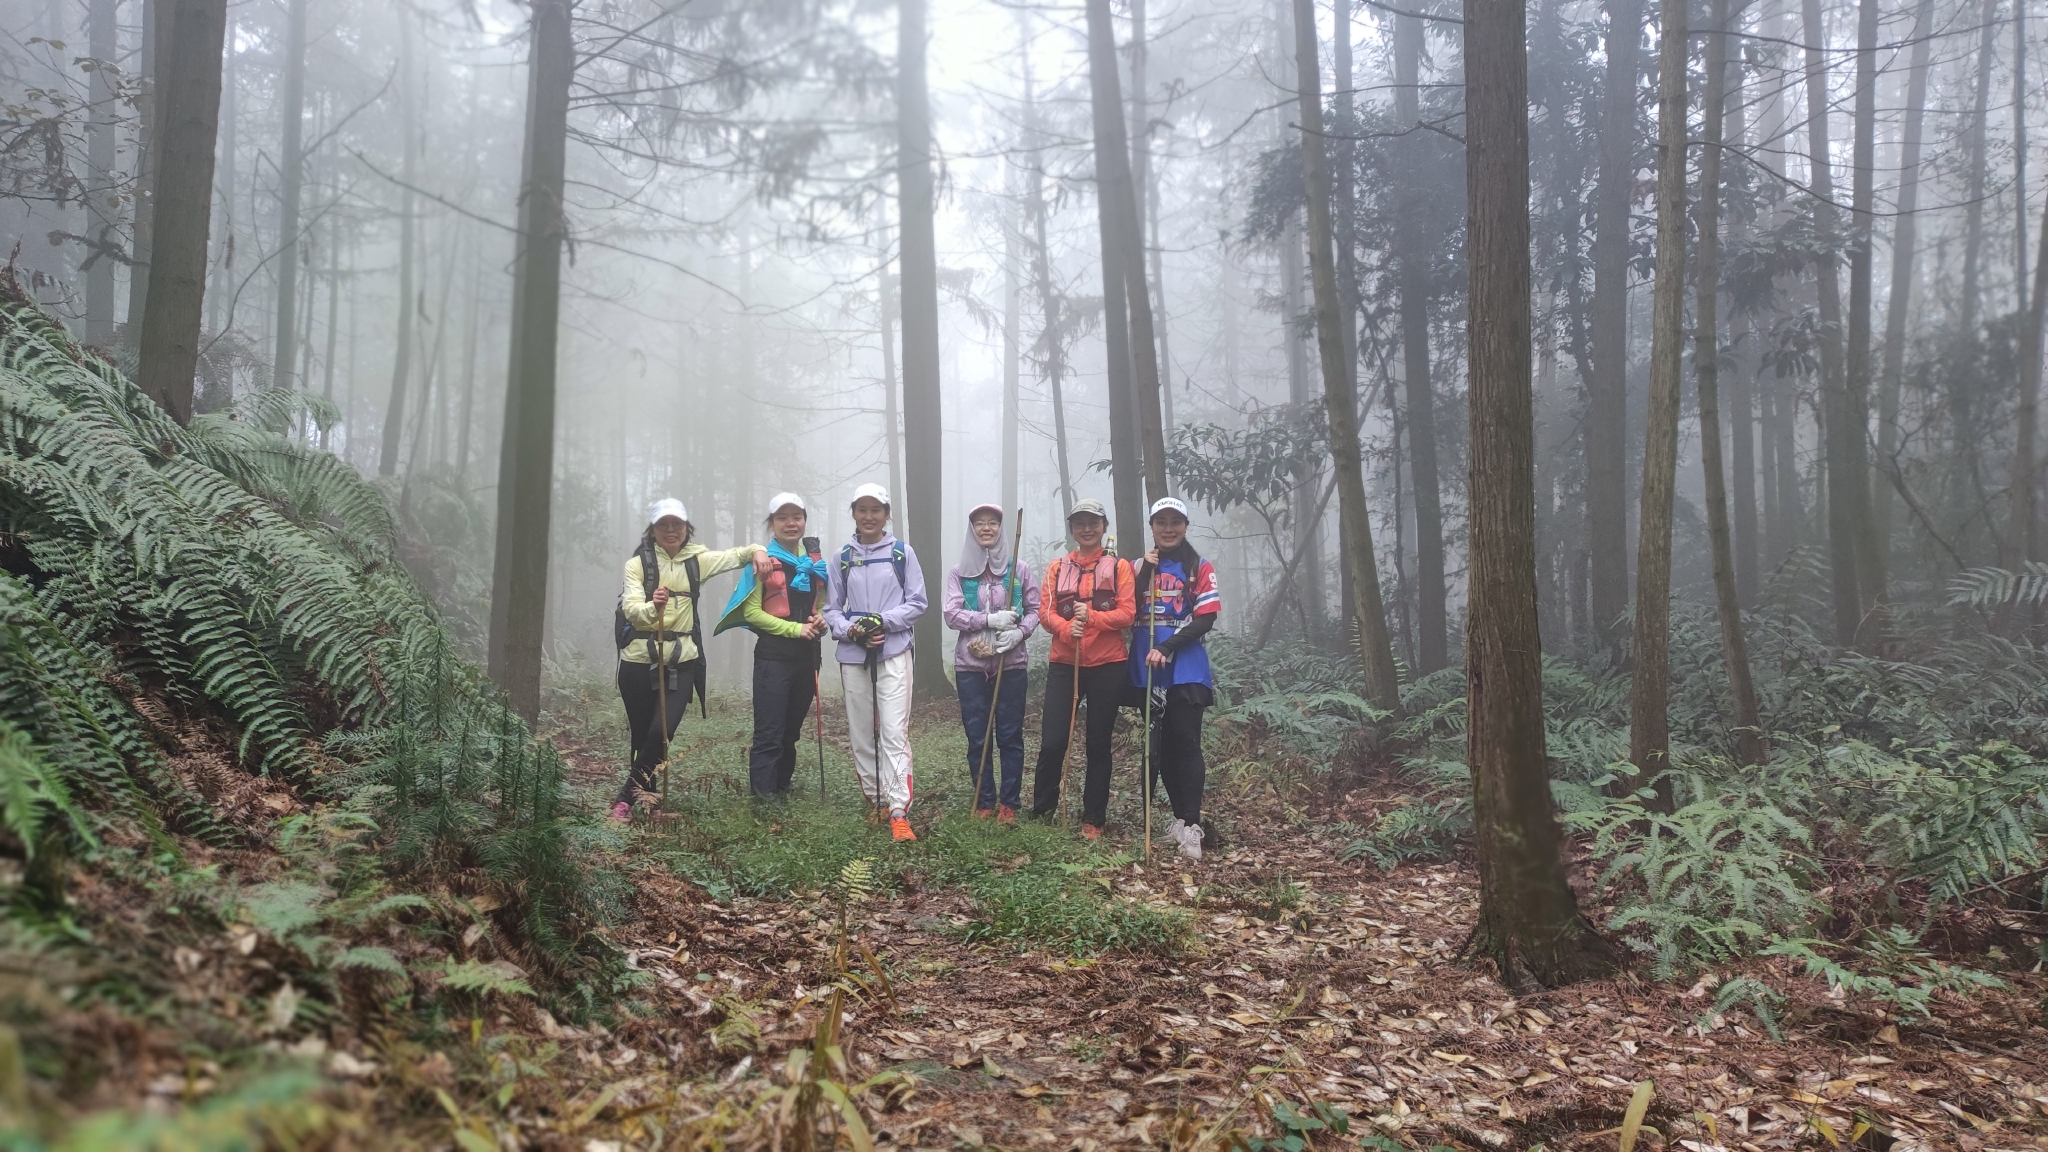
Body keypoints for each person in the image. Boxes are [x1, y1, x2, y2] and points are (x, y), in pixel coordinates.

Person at [612, 498, 771, 820]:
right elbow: (631, 609)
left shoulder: (698, 560)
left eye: (677, 524)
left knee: (661, 732)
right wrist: (650, 607)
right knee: (642, 735)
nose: (671, 530)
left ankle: (624, 800)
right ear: (653, 529)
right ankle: (650, 803)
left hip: (682, 660)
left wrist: (758, 551)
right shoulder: (637, 565)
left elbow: (735, 555)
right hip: (638, 661)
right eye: (663, 525)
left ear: (686, 528)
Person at [823, 483, 928, 842]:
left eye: (876, 510)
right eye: (862, 509)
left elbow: (917, 602)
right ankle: (876, 800)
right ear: (853, 512)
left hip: (894, 650)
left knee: (893, 732)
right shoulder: (841, 557)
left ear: (886, 514)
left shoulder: (902, 553)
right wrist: (852, 630)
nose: (869, 517)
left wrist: (882, 621)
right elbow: (831, 609)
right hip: (853, 655)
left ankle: (898, 809)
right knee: (861, 732)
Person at [1028, 499, 1136, 839]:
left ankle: (1093, 818)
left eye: (1093, 522)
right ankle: (1043, 808)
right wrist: (1064, 628)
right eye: (1080, 523)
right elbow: (1044, 611)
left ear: (1104, 527)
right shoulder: (1057, 567)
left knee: (1098, 742)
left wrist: (1093, 618)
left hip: (1108, 665)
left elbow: (1128, 614)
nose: (1086, 529)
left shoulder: (1119, 568)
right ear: (1072, 529)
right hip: (1065, 663)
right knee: (1053, 740)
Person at [714, 492, 829, 801]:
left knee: (791, 729)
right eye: (782, 518)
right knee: (770, 731)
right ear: (772, 524)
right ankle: (763, 796)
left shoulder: (812, 562)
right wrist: (796, 629)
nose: (791, 523)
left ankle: (781, 784)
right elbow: (752, 613)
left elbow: (819, 602)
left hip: (807, 657)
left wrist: (820, 621)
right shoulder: (763, 562)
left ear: (804, 521)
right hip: (774, 658)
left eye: (797, 517)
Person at [1130, 497, 1221, 861]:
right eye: (1161, 522)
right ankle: (1178, 819)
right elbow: (1124, 609)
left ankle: (1193, 825)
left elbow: (1206, 617)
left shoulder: (1199, 566)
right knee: (1159, 746)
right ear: (1152, 527)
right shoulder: (1139, 565)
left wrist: (1167, 647)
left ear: (1185, 526)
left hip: (1185, 665)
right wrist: (1140, 574)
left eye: (1175, 522)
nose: (1168, 528)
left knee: (1186, 742)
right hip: (1145, 666)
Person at [942, 504, 1040, 820]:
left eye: (993, 523)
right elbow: (951, 614)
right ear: (972, 529)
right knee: (977, 735)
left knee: (1010, 735)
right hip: (970, 666)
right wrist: (988, 619)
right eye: (980, 523)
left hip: (1010, 665)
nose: (987, 528)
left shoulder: (1018, 569)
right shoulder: (959, 572)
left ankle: (1009, 803)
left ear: (1001, 528)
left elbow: (1035, 609)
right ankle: (984, 801)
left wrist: (1019, 633)